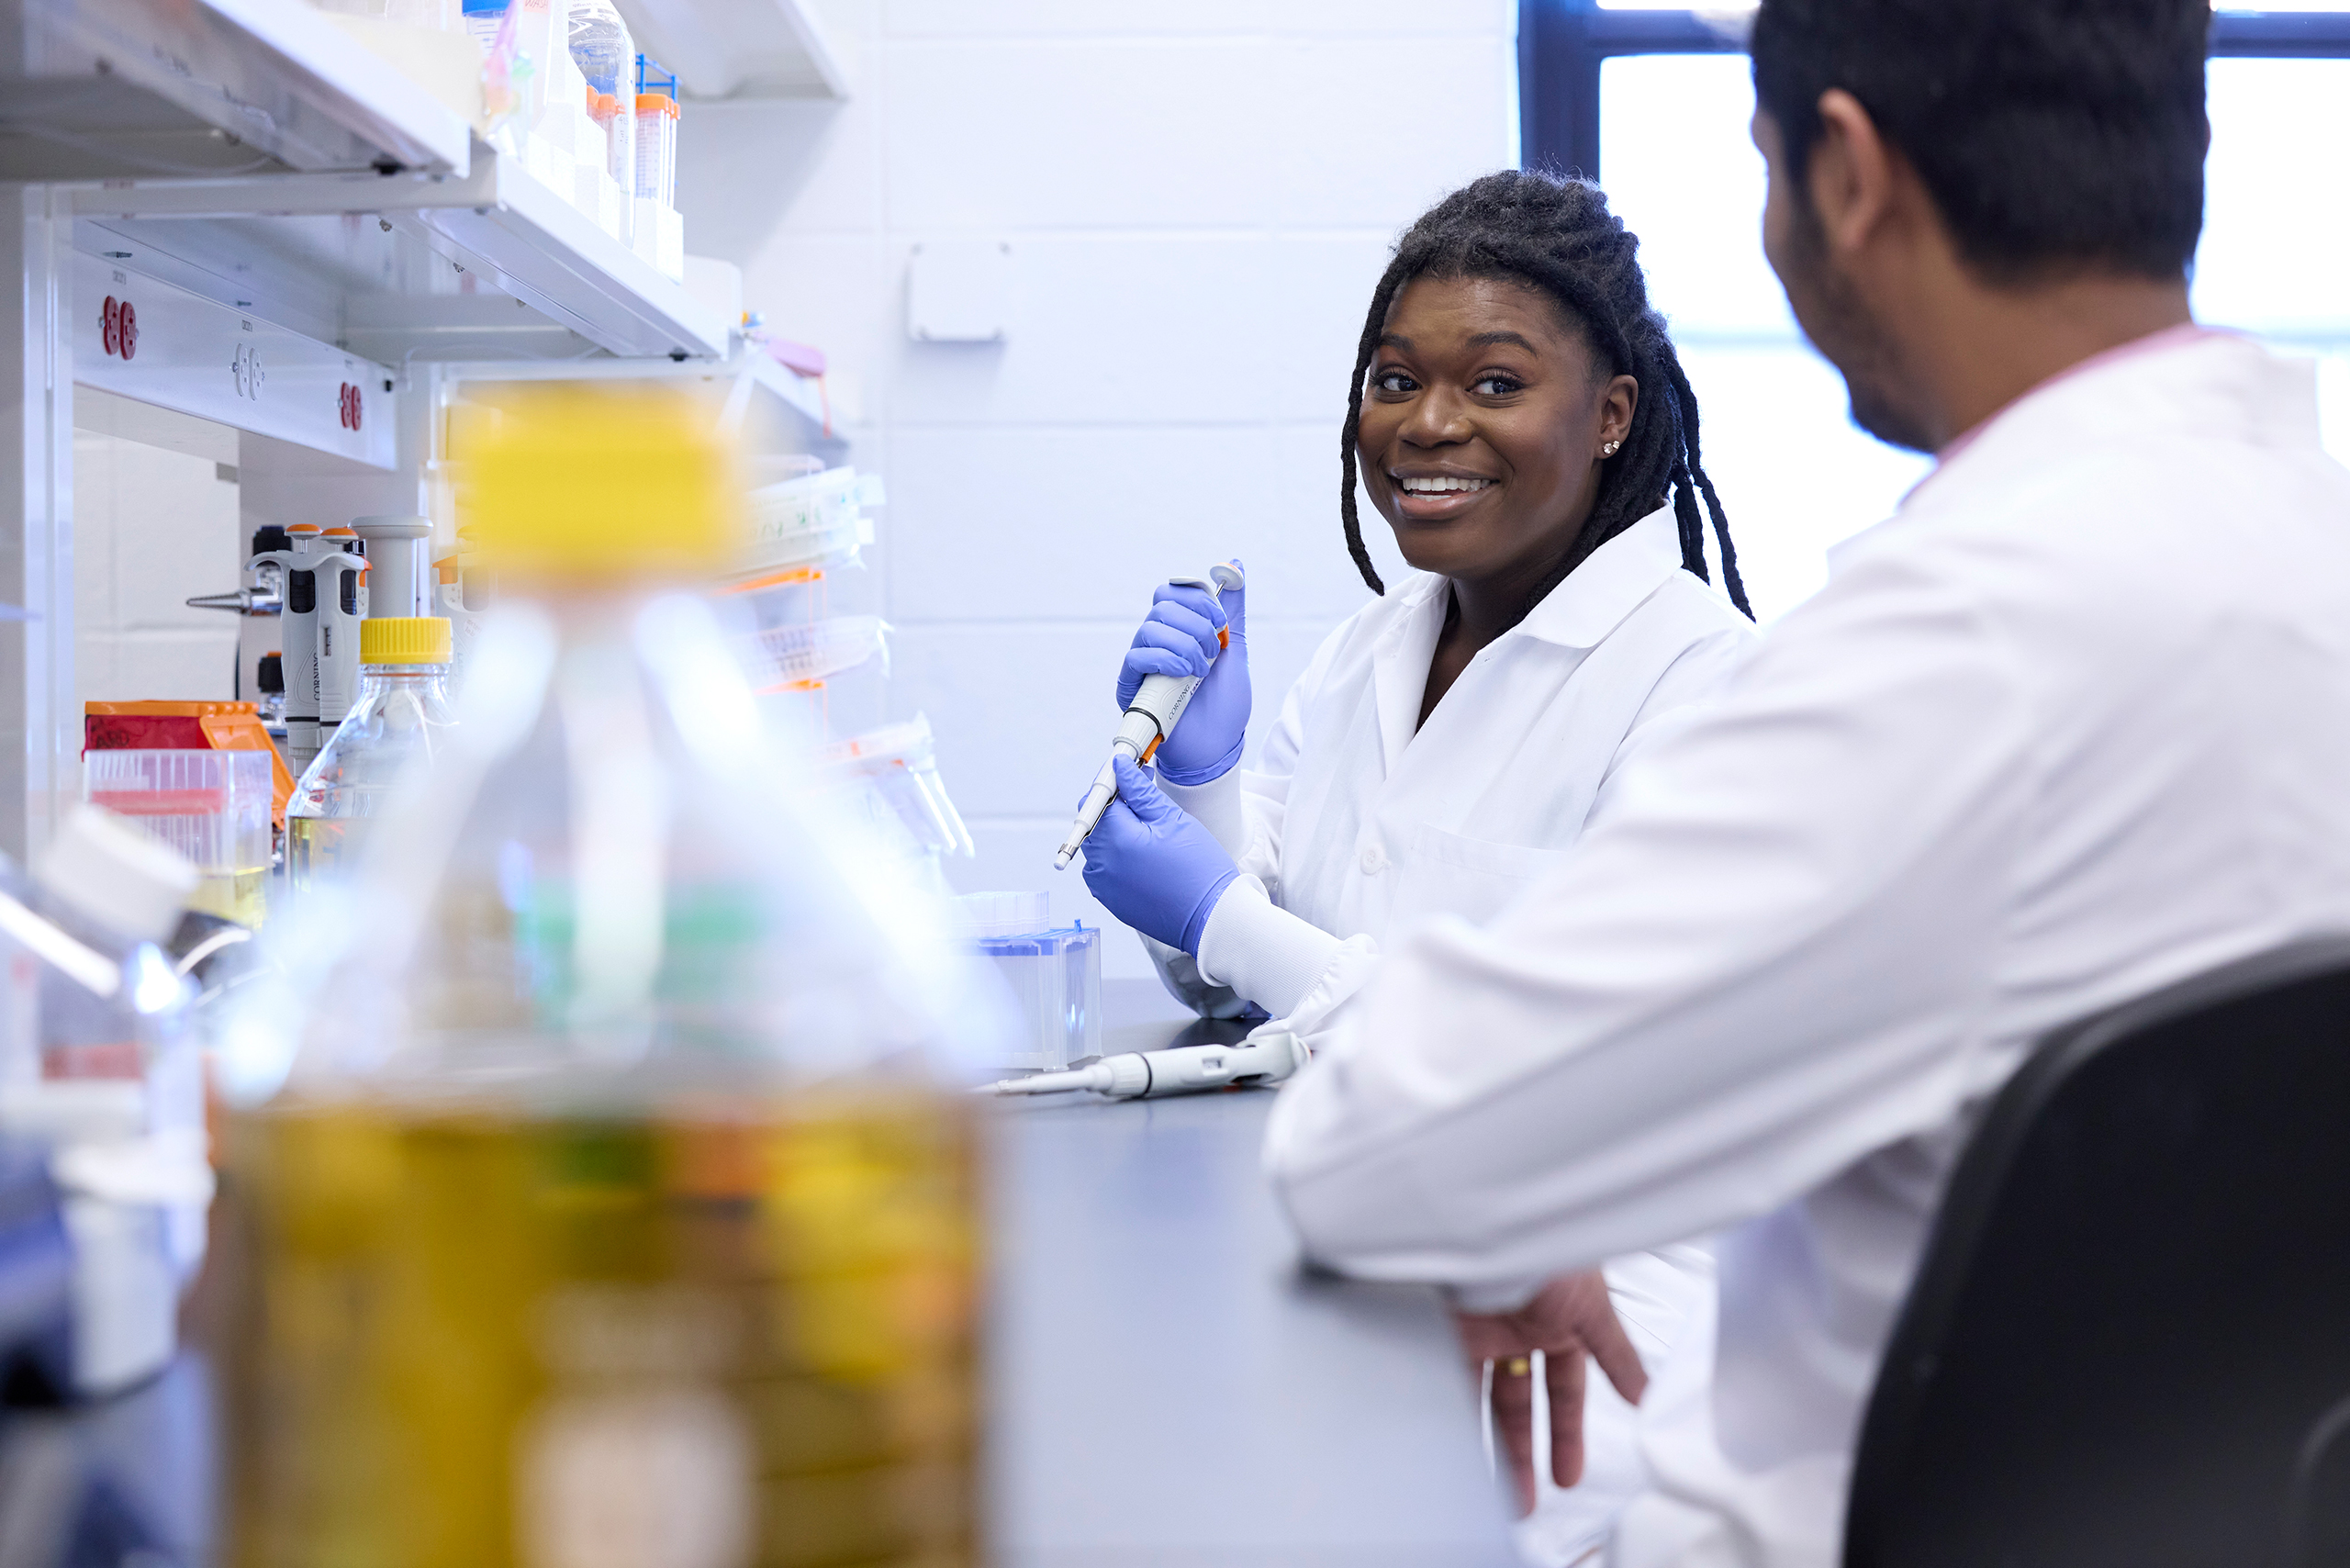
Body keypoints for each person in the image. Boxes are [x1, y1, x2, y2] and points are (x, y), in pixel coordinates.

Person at [1258, 1, 2350, 1565]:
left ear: (1843, 173)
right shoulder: (2308, 543)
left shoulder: (1952, 643)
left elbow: (1367, 1152)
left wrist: (1512, 1171)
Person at [1077, 171, 1757, 1563]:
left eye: (1495, 383)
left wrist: (1228, 925)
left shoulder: (1703, 686)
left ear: (1610, 414)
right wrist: (1201, 785)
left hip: (1599, 1350)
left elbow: (1563, 1075)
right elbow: (1232, 977)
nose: (1428, 424)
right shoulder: (1364, 654)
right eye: (1395, 379)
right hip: (1358, 1256)